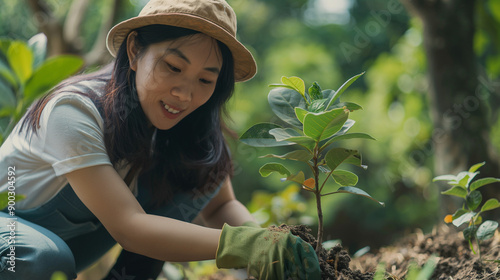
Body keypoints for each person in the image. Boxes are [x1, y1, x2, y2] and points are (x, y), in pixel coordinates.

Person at [0, 0, 321, 279]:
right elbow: (128, 226)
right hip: (11, 233)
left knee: (201, 170)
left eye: (205, 79)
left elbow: (222, 204)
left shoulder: (189, 128)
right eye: (173, 67)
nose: (184, 93)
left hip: (63, 252)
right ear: (135, 50)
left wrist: (269, 246)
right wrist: (245, 247)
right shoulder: (74, 110)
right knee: (42, 257)